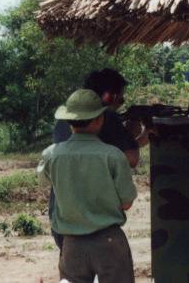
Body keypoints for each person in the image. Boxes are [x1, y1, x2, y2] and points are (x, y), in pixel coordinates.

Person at [38, 89, 137, 283]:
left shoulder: (51, 155)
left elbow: (44, 182)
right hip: (109, 242)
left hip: (71, 244)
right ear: (99, 120)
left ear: (68, 121)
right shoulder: (113, 155)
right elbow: (126, 203)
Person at [50, 68, 148, 249]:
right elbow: (130, 158)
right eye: (120, 99)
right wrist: (140, 137)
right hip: (97, 228)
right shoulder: (107, 117)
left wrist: (127, 135)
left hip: (65, 224)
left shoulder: (64, 120)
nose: (120, 105)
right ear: (109, 97)